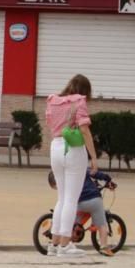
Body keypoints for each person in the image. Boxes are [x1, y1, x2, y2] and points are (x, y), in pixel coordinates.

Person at [45, 74, 98, 258]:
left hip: (56, 147)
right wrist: (93, 157)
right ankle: (65, 246)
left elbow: (50, 124)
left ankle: (54, 243)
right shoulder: (79, 102)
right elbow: (84, 129)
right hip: (73, 150)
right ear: (85, 90)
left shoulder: (53, 101)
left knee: (61, 198)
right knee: (71, 200)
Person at [48, 170, 118, 256]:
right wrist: (108, 179)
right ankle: (104, 247)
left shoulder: (68, 174)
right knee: (101, 225)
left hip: (79, 202)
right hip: (95, 200)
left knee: (69, 220)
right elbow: (95, 173)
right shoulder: (81, 169)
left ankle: (62, 242)